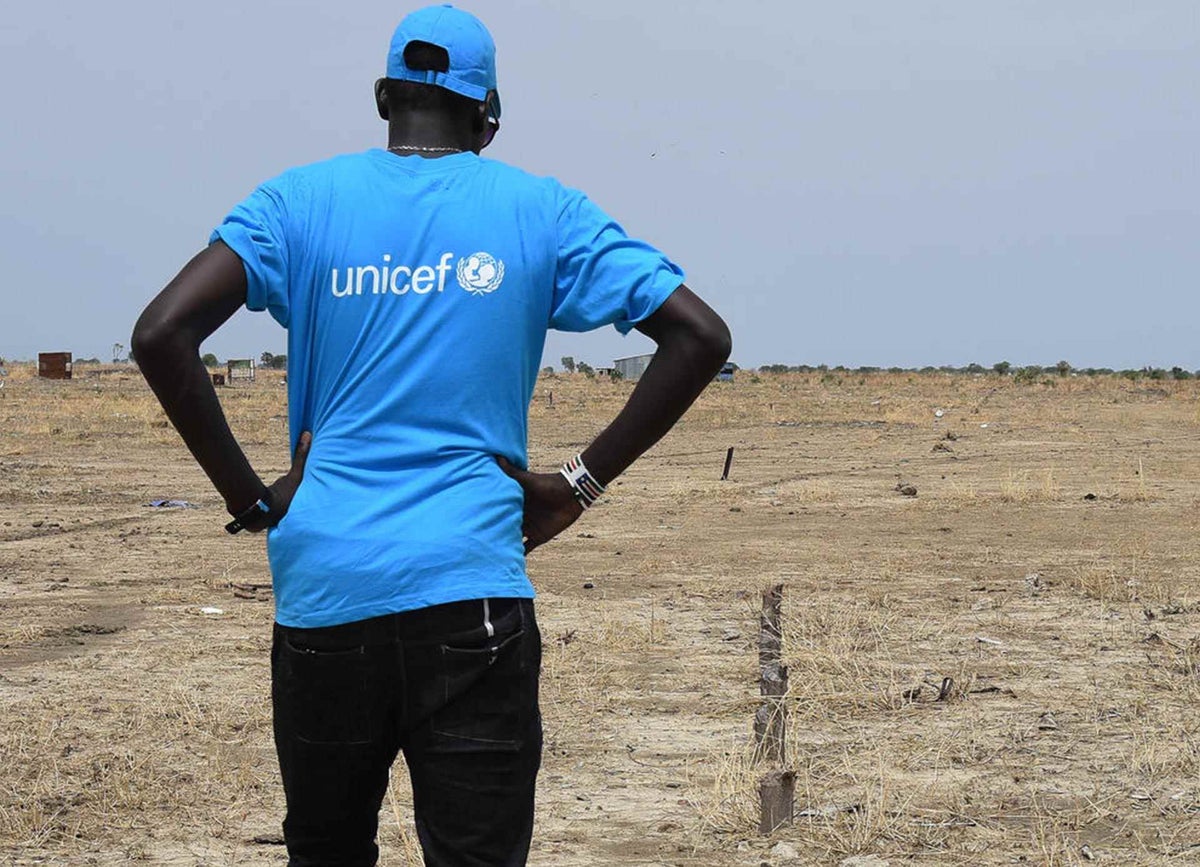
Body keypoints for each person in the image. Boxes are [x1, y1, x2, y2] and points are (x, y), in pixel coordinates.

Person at [132, 5, 731, 865]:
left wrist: (253, 497)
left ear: (384, 98)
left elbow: (160, 333)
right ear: (488, 115)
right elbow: (700, 336)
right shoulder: (543, 210)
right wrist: (577, 484)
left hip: (325, 594)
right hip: (472, 593)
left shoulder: (295, 203)